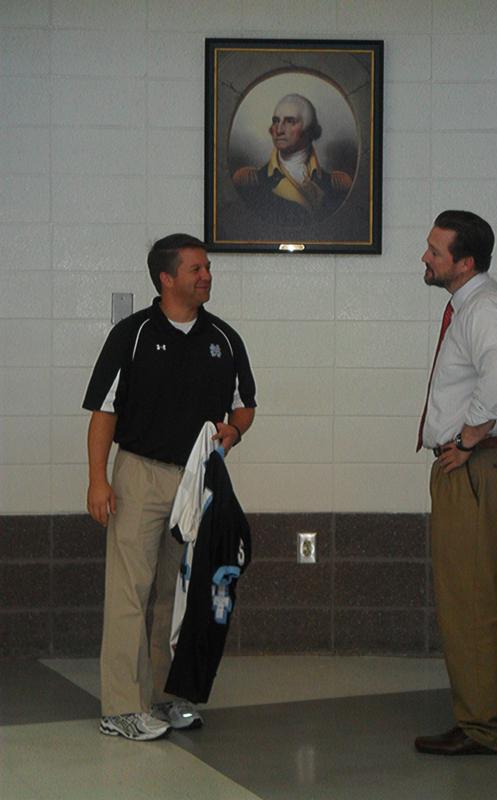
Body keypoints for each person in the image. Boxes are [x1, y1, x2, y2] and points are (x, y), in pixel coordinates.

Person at [83, 233, 256, 741]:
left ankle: (162, 698)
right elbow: (103, 413)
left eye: (207, 268)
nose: (207, 276)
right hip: (138, 475)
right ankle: (121, 708)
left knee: (177, 594)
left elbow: (245, 403)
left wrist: (235, 430)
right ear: (167, 278)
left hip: (197, 480)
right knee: (129, 593)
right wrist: (98, 480)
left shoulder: (223, 338)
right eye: (196, 269)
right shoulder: (132, 334)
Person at [414, 210, 497, 756]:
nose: (425, 257)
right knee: (490, 594)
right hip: (491, 465)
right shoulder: (482, 304)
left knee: (470, 598)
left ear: (464, 263)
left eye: (436, 252)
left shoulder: (482, 309)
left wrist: (465, 440)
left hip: (478, 467)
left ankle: (483, 725)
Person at [232, 93, 352, 227]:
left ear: (309, 129)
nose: (279, 130)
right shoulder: (251, 182)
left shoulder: (336, 184)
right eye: (276, 121)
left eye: (290, 121)